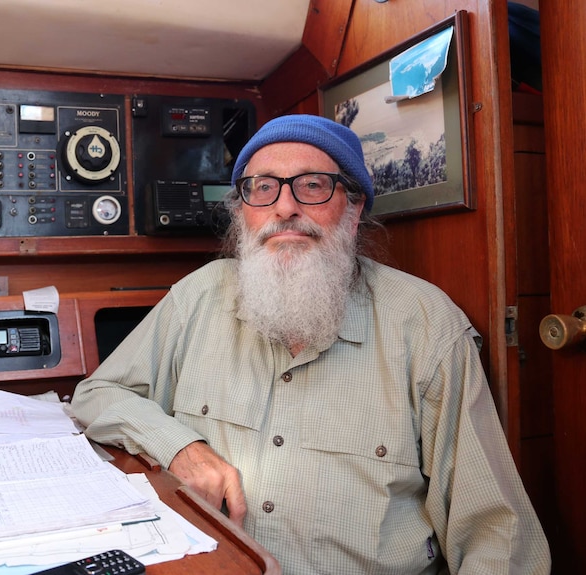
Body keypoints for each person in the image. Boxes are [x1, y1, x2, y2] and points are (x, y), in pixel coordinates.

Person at [71, 115, 551, 574]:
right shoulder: (199, 295)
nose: (285, 207)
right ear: (244, 214)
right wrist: (181, 448)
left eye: (312, 185)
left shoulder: (426, 325)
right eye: (263, 188)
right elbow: (96, 396)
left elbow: (497, 535)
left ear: (354, 205)